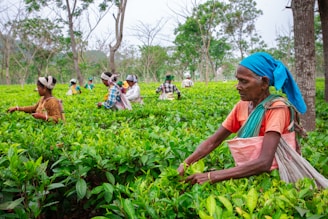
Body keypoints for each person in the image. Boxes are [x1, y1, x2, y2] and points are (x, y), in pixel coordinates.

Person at [177, 52, 307, 185]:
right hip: (247, 176)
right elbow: (213, 141)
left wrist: (211, 176)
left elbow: (265, 162)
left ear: (264, 83)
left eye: (244, 81)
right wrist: (185, 164)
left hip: (278, 180)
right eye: (238, 80)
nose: (238, 86)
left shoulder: (277, 109)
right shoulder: (243, 105)